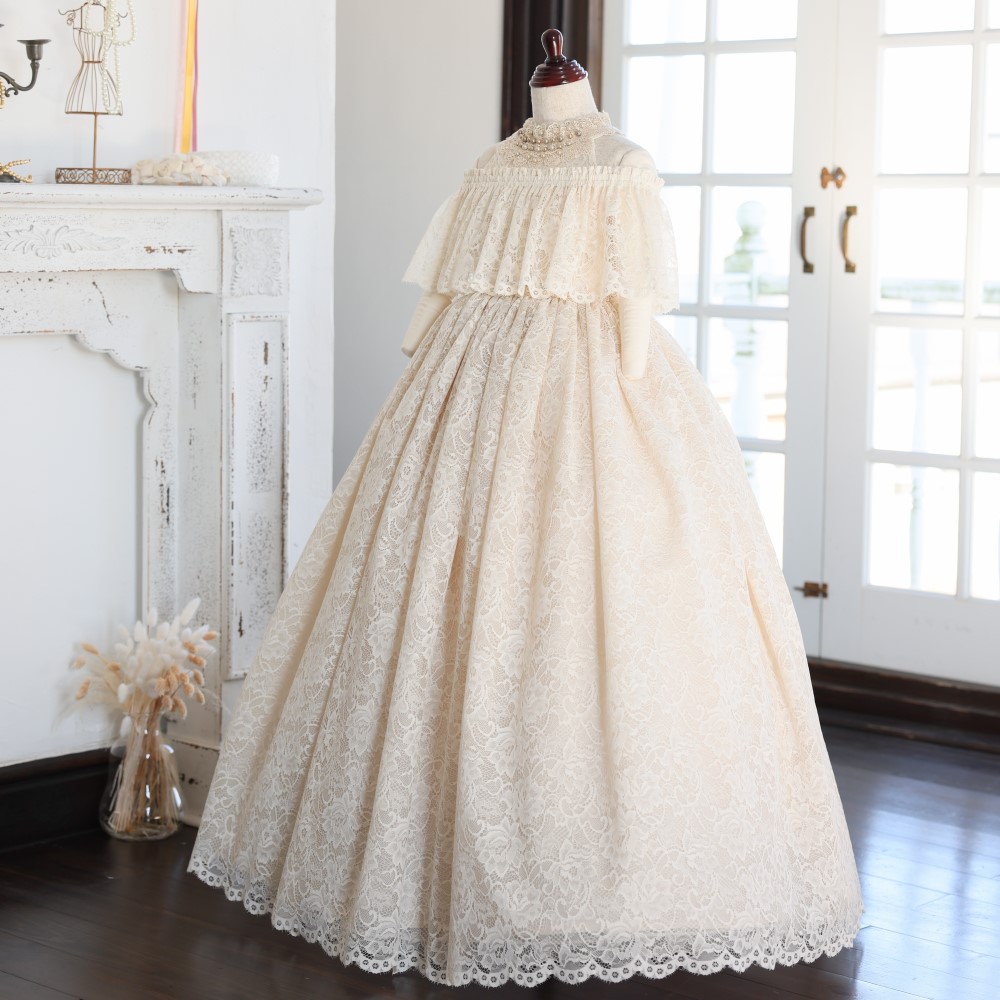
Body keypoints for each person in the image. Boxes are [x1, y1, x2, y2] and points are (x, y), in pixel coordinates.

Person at [187, 29, 864, 989]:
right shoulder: (500, 164)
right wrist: (445, 365)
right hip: (484, 385)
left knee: (582, 602)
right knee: (459, 592)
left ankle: (603, 870)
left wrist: (609, 399)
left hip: (556, 390)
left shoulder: (613, 163)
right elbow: (456, 293)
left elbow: (619, 316)